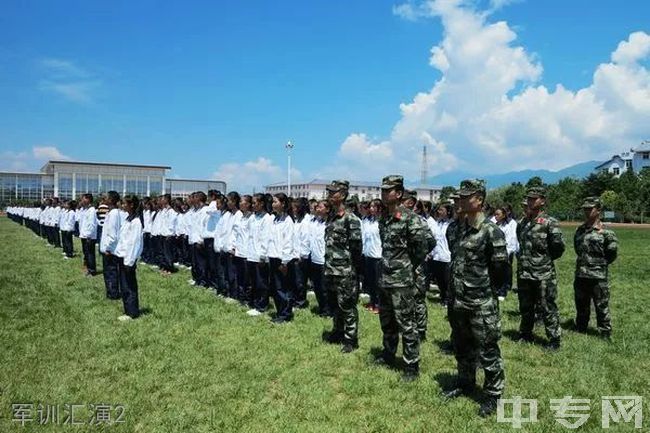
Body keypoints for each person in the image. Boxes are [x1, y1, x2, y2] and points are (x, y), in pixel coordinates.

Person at [442, 179, 508, 418]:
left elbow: (501, 270)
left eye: (465, 196)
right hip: (458, 300)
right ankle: (465, 382)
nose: (460, 199)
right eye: (459, 196)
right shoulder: (456, 229)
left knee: (488, 349)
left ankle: (493, 395)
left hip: (481, 302)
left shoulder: (491, 231)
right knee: (462, 346)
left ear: (479, 199)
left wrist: (485, 291)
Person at [375, 175, 429, 380]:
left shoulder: (410, 218)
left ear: (398, 193)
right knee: (387, 320)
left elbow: (421, 248)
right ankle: (388, 353)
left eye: (388, 190)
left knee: (407, 323)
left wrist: (406, 267)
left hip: (403, 280)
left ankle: (411, 364)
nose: (383, 193)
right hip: (385, 278)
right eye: (382, 190)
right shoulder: (384, 219)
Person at [516, 186, 565, 350]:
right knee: (525, 306)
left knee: (547, 307)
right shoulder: (522, 223)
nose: (530, 201)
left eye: (534, 198)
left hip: (543, 273)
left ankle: (554, 339)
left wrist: (542, 261)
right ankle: (525, 334)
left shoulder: (550, 223)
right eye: (528, 198)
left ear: (542, 201)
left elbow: (558, 248)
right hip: (524, 272)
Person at [323, 180, 362, 353]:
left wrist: (352, 269)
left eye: (334, 193)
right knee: (335, 304)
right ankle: (337, 331)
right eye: (329, 192)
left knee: (347, 305)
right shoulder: (331, 217)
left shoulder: (351, 219)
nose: (330, 196)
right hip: (331, 268)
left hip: (345, 271)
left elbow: (356, 248)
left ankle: (350, 338)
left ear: (343, 195)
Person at [573, 197, 618, 340]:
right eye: (585, 209)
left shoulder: (607, 233)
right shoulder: (580, 230)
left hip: (598, 276)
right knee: (581, 304)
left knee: (601, 305)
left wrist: (598, 264)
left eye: (590, 209)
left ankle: (605, 332)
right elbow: (577, 249)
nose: (587, 211)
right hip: (581, 274)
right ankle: (581, 328)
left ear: (598, 210)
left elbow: (611, 254)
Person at [114, 195, 144, 321]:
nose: (122, 205)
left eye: (125, 203)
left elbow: (134, 243)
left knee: (129, 285)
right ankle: (127, 309)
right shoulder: (128, 219)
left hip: (128, 258)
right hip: (122, 256)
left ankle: (132, 312)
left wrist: (129, 261)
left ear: (131, 205)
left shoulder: (136, 222)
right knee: (124, 285)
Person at [267, 193, 295, 323]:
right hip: (273, 257)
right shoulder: (275, 219)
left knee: (282, 288)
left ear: (283, 204)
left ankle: (285, 314)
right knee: (275, 288)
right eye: (272, 202)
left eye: (276, 202)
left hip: (282, 259)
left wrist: (284, 262)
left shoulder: (287, 220)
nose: (273, 204)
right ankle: (280, 312)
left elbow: (288, 242)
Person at [246, 193, 274, 316]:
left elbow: (266, 238)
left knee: (261, 282)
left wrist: (263, 255)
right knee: (253, 281)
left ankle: (262, 306)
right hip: (251, 254)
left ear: (261, 203)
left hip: (260, 256)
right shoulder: (253, 217)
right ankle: (253, 302)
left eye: (254, 203)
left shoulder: (267, 218)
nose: (252, 205)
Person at [309, 200, 331, 317]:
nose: (317, 209)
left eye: (320, 207)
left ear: (327, 209)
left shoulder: (329, 223)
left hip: (324, 261)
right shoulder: (315, 222)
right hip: (314, 259)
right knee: (316, 286)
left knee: (324, 288)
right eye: (317, 207)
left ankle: (327, 309)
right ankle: (321, 307)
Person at [99, 191, 123, 299]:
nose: (105, 199)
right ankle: (110, 291)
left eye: (107, 197)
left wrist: (108, 247)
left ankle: (113, 293)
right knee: (108, 271)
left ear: (111, 200)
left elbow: (113, 235)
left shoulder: (114, 214)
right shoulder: (111, 212)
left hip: (110, 250)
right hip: (108, 248)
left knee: (111, 272)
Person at [493, 205, 519, 301]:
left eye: (498, 214)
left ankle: (502, 291)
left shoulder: (508, 227)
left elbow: (510, 242)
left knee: (504, 273)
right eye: (495, 214)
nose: (496, 216)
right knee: (496, 273)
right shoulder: (494, 226)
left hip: (504, 254)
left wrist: (505, 254)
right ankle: (496, 289)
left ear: (504, 215)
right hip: (494, 254)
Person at [362, 199, 382, 314]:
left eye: (374, 207)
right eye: (371, 207)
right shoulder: (368, 221)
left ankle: (379, 304)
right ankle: (372, 301)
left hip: (378, 256)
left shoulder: (381, 221)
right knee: (370, 281)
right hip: (368, 254)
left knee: (378, 282)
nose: (371, 209)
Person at [429, 202, 452, 306]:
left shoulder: (451, 224)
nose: (439, 212)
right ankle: (443, 297)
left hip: (447, 256)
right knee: (439, 279)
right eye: (438, 210)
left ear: (448, 212)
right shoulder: (437, 223)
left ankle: (448, 299)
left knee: (447, 280)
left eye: (441, 210)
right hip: (437, 255)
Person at [290, 197, 311, 309]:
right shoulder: (297, 219)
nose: (293, 209)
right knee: (295, 280)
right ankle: (295, 299)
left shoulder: (306, 221)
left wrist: (302, 255)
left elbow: (305, 239)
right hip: (294, 254)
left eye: (295, 207)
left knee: (300, 281)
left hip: (301, 256)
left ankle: (300, 302)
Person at [79, 193, 98, 276]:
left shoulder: (92, 210)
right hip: (84, 235)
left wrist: (89, 235)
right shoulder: (85, 210)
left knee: (90, 254)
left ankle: (92, 270)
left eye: (83, 199)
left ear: (87, 199)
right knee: (86, 253)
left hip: (89, 236)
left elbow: (92, 224)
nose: (81, 200)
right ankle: (87, 268)